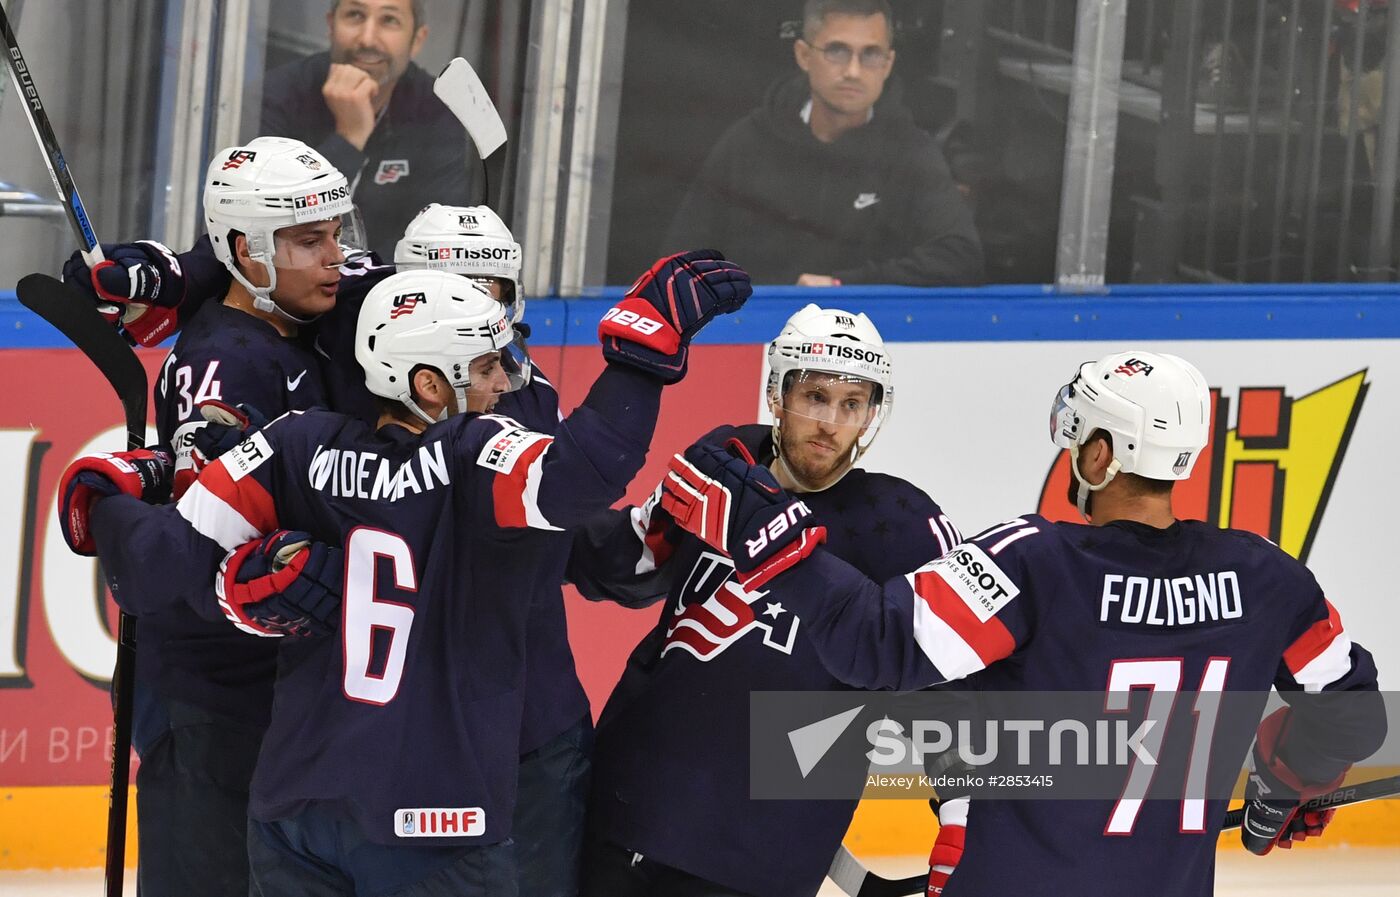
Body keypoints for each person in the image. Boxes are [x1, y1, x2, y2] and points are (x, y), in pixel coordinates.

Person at [57, 252, 751, 896]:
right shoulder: (473, 458)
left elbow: (158, 566)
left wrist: (113, 497)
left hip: (298, 811)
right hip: (437, 825)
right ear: (428, 383)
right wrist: (644, 344)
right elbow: (586, 471)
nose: (504, 382)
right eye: (484, 368)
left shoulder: (293, 444)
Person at [660, 349, 1386, 896]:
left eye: (1081, 437)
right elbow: (1353, 717)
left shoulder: (1036, 562)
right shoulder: (1264, 577)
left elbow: (871, 645)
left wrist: (762, 523)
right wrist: (1289, 778)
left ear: (1100, 455)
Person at [567, 305, 964, 897]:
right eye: (815, 396)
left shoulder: (903, 524)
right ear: (777, 395)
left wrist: (960, 815)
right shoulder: (726, 460)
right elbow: (624, 567)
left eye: (851, 404)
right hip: (633, 800)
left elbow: (951, 688)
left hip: (761, 849)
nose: (830, 423)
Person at [57, 134, 364, 897]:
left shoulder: (292, 316)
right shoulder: (230, 362)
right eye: (308, 240)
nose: (336, 257)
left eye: (336, 232)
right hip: (212, 693)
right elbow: (206, 544)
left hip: (272, 686)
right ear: (246, 252)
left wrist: (181, 269)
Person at [662, 0, 982, 287]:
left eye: (870, 54)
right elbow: (679, 268)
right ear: (804, 55)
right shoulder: (748, 142)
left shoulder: (912, 151)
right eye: (837, 51)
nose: (853, 71)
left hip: (865, 340)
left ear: (887, 64)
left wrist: (844, 286)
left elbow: (961, 260)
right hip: (756, 337)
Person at [261, 0, 473, 257]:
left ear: (417, 40)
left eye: (389, 20)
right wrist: (349, 137)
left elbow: (439, 238)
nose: (368, 39)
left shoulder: (437, 111)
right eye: (355, 15)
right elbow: (272, 225)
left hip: (394, 287)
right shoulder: (280, 93)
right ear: (331, 25)